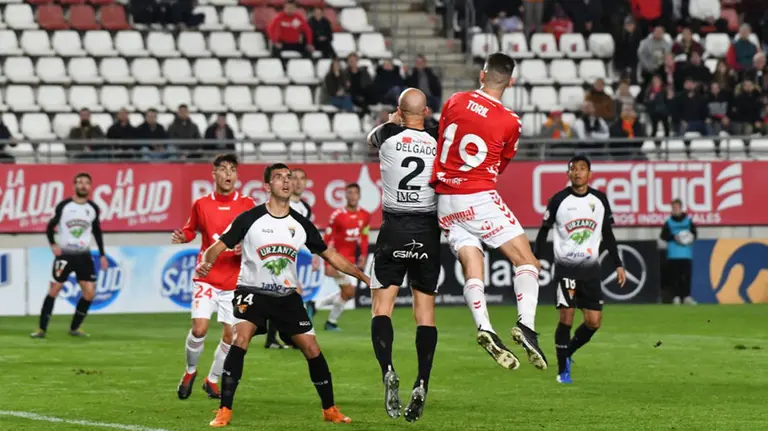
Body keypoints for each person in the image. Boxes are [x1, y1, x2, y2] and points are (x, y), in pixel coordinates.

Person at [203, 163, 369, 427]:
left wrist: (363, 276)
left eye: (288, 177)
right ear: (267, 186)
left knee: (312, 348)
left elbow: (330, 255)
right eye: (279, 177)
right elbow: (219, 245)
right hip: (251, 292)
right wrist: (207, 261)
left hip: (286, 296)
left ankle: (330, 409)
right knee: (241, 339)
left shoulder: (301, 224)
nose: (285, 181)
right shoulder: (250, 218)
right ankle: (225, 410)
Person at [430, 52, 546, 371]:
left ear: (482, 75)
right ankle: (526, 326)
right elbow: (501, 165)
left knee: (473, 261)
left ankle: (485, 327)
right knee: (527, 262)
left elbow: (442, 138)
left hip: (444, 199)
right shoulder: (510, 121)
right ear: (511, 81)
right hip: (476, 194)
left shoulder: (454, 100)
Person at [366, 88, 440, 422]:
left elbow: (373, 136)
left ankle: (388, 369)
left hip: (394, 226)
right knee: (425, 314)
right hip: (427, 229)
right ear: (425, 111)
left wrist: (394, 119)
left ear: (398, 110)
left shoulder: (388, 138)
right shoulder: (438, 141)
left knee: (382, 308)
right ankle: (422, 381)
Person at [533, 155, 625, 384]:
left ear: (589, 174)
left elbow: (608, 235)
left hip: (591, 271)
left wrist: (618, 263)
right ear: (568, 174)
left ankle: (568, 353)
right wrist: (535, 259)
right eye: (573, 169)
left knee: (594, 322)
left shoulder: (600, 200)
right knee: (567, 317)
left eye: (582, 169)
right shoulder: (558, 200)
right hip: (566, 270)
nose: (577, 173)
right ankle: (563, 370)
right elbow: (543, 231)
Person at [171, 154, 255, 400]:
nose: (228, 174)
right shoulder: (202, 204)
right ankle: (190, 372)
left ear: (237, 176)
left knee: (232, 336)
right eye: (223, 169)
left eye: (232, 169)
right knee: (199, 329)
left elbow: (254, 235)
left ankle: (212, 379)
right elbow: (190, 229)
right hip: (206, 276)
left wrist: (244, 247)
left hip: (234, 281)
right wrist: (182, 237)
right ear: (214, 174)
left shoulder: (247, 204)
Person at [31, 173, 107, 339]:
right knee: (54, 289)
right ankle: (41, 329)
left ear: (90, 187)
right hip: (65, 255)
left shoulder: (93, 208)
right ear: (74, 186)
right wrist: (53, 244)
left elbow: (97, 231)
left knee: (89, 293)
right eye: (79, 182)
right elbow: (50, 226)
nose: (83, 185)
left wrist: (102, 254)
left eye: (86, 183)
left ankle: (75, 328)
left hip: (84, 255)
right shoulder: (64, 206)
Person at [317, 183, 370, 331]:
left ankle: (317, 305)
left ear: (359, 195)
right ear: (345, 195)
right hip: (338, 259)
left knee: (348, 294)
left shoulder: (365, 215)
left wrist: (363, 256)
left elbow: (364, 237)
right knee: (348, 292)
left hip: (352, 259)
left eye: (355, 193)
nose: (352, 196)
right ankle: (331, 322)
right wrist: (327, 260)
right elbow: (328, 237)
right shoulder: (337, 215)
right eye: (350, 193)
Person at [660, 199, 697, 305]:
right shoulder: (669, 222)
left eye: (677, 207)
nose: (675, 209)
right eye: (673, 208)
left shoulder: (688, 221)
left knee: (686, 276)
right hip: (673, 254)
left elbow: (694, 234)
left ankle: (687, 297)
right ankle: (676, 297)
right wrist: (674, 237)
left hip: (686, 254)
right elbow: (663, 236)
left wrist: (688, 239)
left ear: (681, 208)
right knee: (674, 277)